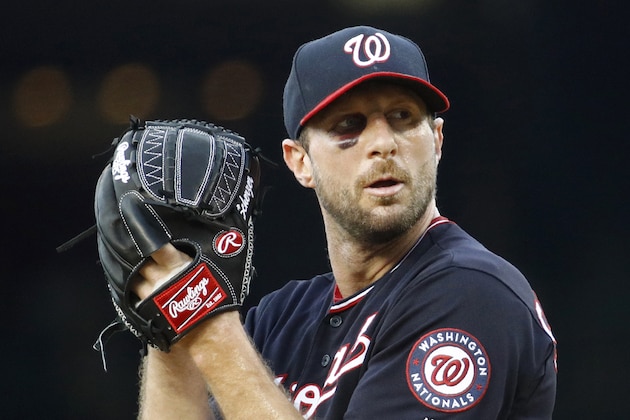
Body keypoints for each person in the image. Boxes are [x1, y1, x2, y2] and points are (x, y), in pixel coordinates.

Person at [132, 26, 557, 419]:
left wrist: (205, 320)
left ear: (438, 140)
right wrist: (168, 320)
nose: (383, 143)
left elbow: (216, 338)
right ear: (300, 163)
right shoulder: (280, 320)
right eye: (349, 125)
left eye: (403, 118)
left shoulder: (472, 293)